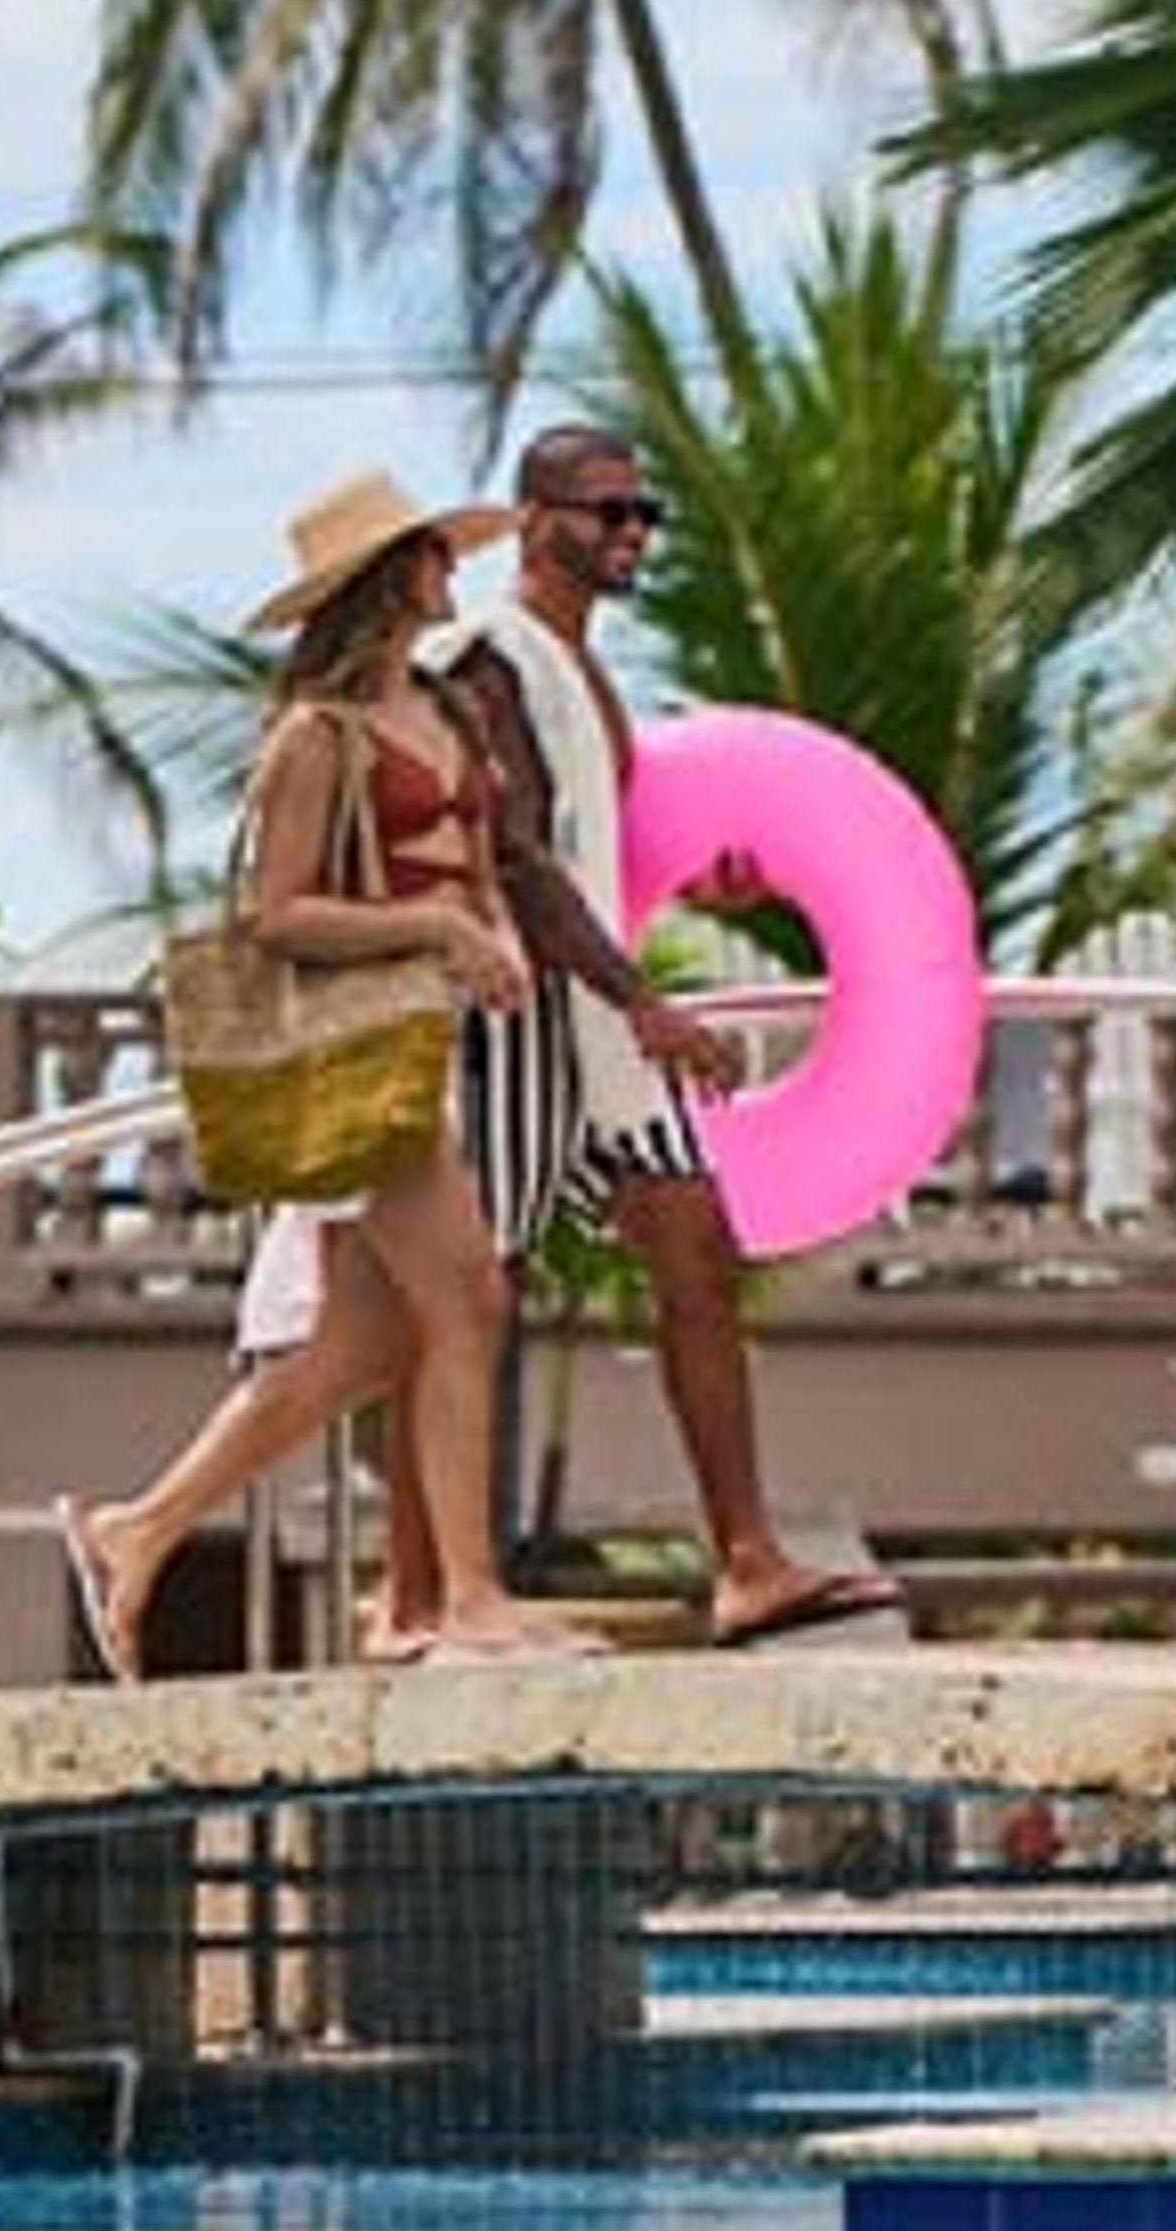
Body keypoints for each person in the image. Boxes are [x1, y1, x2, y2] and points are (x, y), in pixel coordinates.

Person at [57, 468, 604, 1677]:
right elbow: (277, 914)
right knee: (467, 1299)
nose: (445, 567)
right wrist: (439, 934)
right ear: (389, 577)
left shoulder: (445, 712)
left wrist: (490, 932)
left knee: (364, 1350)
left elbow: (475, 861)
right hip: (363, 1047)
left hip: (436, 1046)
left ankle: (134, 1529)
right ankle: (467, 1598)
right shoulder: (318, 735)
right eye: (426, 553)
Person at [414, 421, 910, 1649]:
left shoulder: (583, 675)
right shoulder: (489, 661)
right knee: (473, 1297)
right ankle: (419, 1595)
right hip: (519, 1022)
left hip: (593, 1025)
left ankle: (746, 1560)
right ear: (534, 521)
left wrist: (704, 879)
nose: (630, 535)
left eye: (644, 516)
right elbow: (515, 860)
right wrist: (643, 998)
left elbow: (591, 846)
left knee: (695, 1249)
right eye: (605, 513)